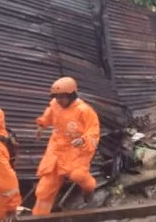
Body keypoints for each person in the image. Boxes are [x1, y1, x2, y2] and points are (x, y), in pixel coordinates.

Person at [32, 76, 100, 215]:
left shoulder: (84, 110)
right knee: (43, 190)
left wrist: (83, 140)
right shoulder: (55, 105)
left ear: (71, 95)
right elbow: (48, 114)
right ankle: (38, 218)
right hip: (56, 148)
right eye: (56, 97)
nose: (58, 100)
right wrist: (41, 125)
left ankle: (89, 190)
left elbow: (94, 130)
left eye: (62, 97)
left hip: (77, 149)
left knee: (78, 175)